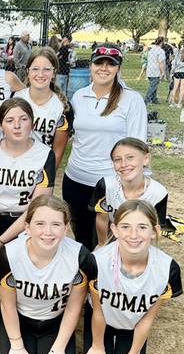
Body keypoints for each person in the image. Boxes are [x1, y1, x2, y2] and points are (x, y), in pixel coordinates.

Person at [82, 200, 183, 354]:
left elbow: (148, 317)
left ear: (155, 231)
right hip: (103, 323)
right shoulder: (97, 261)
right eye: (126, 227)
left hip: (133, 325)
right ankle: (103, 349)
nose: (134, 235)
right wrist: (97, 348)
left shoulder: (167, 269)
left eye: (142, 227)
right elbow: (97, 311)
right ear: (114, 230)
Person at [0, 195, 95, 354]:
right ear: (27, 228)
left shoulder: (79, 256)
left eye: (56, 224)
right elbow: (7, 305)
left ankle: (52, 350)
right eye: (40, 224)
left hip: (55, 323)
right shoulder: (9, 255)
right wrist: (17, 346)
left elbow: (74, 309)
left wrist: (58, 350)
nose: (48, 232)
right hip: (20, 322)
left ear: (66, 228)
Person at [63, 44, 147, 252]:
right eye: (99, 62)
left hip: (109, 184)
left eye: (111, 64)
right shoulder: (79, 96)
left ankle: (107, 284)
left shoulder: (132, 99)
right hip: (75, 180)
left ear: (118, 68)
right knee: (82, 239)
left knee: (110, 244)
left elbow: (137, 147)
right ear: (91, 65)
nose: (104, 68)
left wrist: (133, 186)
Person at [0, 98, 55, 247]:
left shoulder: (45, 155)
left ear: (32, 122)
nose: (17, 126)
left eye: (24, 119)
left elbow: (36, 207)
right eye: (9, 120)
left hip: (25, 224)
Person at [90, 137, 170, 248]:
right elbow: (102, 219)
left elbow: (154, 230)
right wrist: (103, 247)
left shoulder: (158, 193)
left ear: (146, 159)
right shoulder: (106, 186)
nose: (123, 164)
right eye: (117, 159)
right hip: (113, 238)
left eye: (130, 157)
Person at [14, 48, 72, 168]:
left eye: (46, 69)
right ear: (28, 71)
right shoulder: (15, 98)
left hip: (41, 168)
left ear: (54, 73)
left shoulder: (62, 107)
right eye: (35, 69)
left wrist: (46, 179)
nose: (40, 74)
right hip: (13, 166)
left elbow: (58, 152)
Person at [144, 38, 165, 105]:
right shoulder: (160, 51)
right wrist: (162, 72)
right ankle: (146, 100)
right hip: (156, 70)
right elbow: (161, 62)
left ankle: (154, 99)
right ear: (161, 42)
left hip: (149, 69)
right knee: (153, 86)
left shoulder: (151, 50)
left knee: (153, 85)